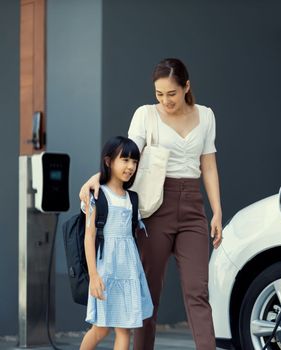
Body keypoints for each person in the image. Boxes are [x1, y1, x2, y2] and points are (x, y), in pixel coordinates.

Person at [80, 58, 222, 350]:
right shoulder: (146, 115)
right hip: (155, 208)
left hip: (193, 208)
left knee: (198, 291)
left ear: (186, 87)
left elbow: (208, 165)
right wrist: (98, 177)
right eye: (159, 94)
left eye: (171, 93)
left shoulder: (206, 116)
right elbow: (127, 155)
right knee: (148, 294)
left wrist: (217, 211)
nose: (165, 100)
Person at [80, 136, 153, 350]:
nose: (130, 166)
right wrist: (94, 275)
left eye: (134, 162)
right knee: (100, 329)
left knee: (125, 329)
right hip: (106, 271)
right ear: (109, 161)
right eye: (125, 160)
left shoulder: (132, 198)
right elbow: (89, 236)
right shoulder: (97, 195)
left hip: (128, 271)